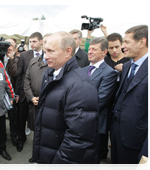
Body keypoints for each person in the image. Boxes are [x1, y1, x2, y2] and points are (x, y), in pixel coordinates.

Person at [31, 31, 99, 170]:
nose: (46, 56)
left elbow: (79, 137)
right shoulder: (50, 73)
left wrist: (58, 164)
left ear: (68, 51)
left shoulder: (80, 85)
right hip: (51, 155)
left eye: (50, 51)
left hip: (64, 162)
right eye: (45, 51)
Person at [110, 25, 150, 170]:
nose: (123, 46)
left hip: (137, 139)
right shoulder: (126, 66)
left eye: (127, 42)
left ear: (142, 42)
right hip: (116, 133)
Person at [83, 37, 118, 169]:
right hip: (79, 119)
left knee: (92, 158)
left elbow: (100, 100)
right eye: (89, 49)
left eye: (94, 49)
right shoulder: (83, 69)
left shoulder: (109, 73)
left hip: (94, 121)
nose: (90, 51)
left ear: (104, 53)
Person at [16, 32, 43, 152]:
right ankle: (21, 139)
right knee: (21, 118)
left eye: (34, 41)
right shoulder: (24, 55)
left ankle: (38, 144)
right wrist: (17, 93)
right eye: (30, 41)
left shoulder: (46, 55)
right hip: (23, 93)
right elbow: (20, 75)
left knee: (38, 120)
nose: (31, 44)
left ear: (41, 41)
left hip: (38, 95)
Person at [24, 33, 51, 132]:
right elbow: (26, 80)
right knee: (36, 133)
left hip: (49, 107)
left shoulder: (57, 63)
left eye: (50, 42)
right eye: (45, 42)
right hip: (34, 104)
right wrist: (31, 97)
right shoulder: (33, 61)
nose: (47, 45)